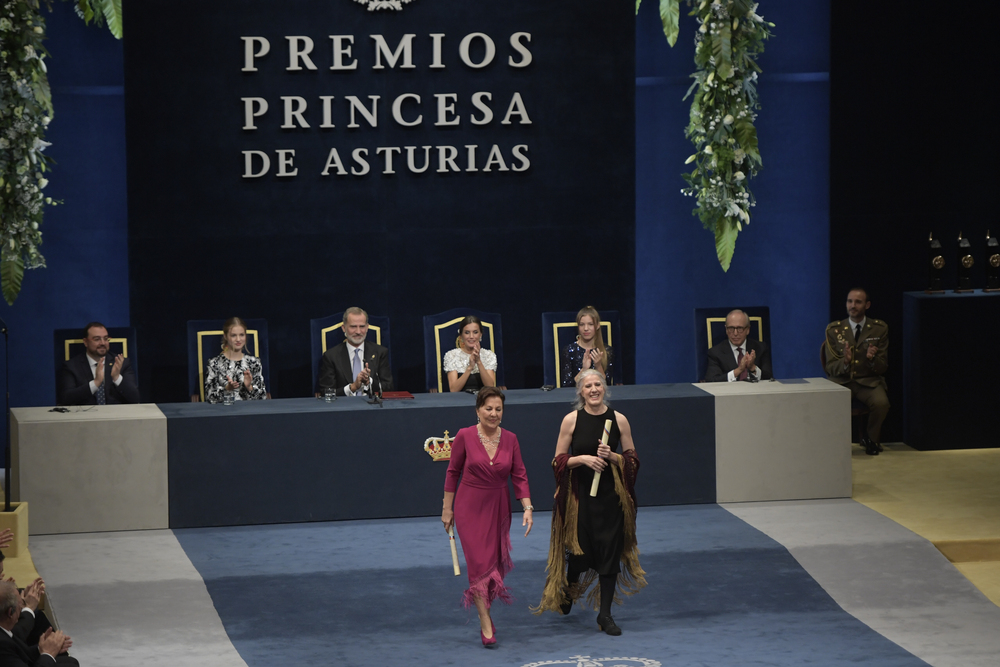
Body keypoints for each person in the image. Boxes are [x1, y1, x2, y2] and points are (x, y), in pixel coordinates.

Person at [534, 369, 645, 635]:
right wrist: (583, 459)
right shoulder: (571, 421)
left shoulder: (619, 420)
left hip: (611, 500)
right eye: (588, 386)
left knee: (610, 554)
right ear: (580, 392)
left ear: (604, 388)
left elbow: (632, 460)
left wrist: (613, 457)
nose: (594, 389)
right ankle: (570, 588)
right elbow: (558, 461)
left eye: (598, 384)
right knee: (580, 554)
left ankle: (605, 614)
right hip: (580, 499)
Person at [441, 387, 532, 647]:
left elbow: (519, 474)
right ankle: (484, 620)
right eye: (488, 409)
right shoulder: (465, 436)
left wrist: (527, 507)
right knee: (479, 563)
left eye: (498, 409)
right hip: (469, 506)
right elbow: (452, 472)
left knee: (492, 563)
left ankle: (486, 609)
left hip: (499, 507)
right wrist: (447, 509)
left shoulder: (511, 439)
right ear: (478, 410)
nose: (493, 414)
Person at [824, 288, 889, 455]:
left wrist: (871, 359)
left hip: (867, 382)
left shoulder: (878, 329)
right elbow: (830, 367)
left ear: (867, 305)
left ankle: (871, 440)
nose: (853, 306)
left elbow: (883, 367)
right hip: (842, 381)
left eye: (858, 302)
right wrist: (845, 362)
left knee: (881, 403)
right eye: (850, 301)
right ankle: (833, 442)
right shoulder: (834, 330)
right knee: (826, 403)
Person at [56, 322, 139, 406]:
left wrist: (117, 378)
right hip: (85, 417)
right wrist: (95, 383)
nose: (103, 343)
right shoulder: (71, 366)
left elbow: (135, 398)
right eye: (97, 339)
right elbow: (65, 399)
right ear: (85, 342)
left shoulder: (121, 363)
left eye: (106, 338)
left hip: (115, 416)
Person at [318, 308, 394, 397]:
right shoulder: (331, 356)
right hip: (343, 408)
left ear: (367, 327)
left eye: (362, 326)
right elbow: (326, 392)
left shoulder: (380, 352)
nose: (358, 332)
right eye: (353, 327)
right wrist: (352, 387)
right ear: (344, 328)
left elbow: (389, 387)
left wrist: (370, 382)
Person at [0, 581, 78, 666]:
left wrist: (42, 648)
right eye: (21, 604)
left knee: (70, 662)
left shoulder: (4, 631)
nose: (22, 608)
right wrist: (48, 653)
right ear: (10, 612)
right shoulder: (2, 644)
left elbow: (18, 653)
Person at [204, 317, 267, 404]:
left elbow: (263, 397)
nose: (238, 339)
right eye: (233, 335)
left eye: (241, 335)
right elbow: (209, 397)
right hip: (223, 413)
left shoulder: (254, 362)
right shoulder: (214, 363)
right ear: (225, 336)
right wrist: (227, 389)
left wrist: (249, 387)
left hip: (249, 413)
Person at [704, 309, 774, 382]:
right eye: (731, 328)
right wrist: (739, 370)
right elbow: (711, 380)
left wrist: (752, 367)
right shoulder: (715, 352)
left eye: (740, 328)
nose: (735, 333)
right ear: (726, 330)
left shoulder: (761, 348)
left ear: (748, 330)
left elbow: (769, 378)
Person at [561, 306, 614, 387]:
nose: (586, 328)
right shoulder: (569, 350)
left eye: (590, 324)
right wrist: (584, 369)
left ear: (597, 326)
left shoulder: (606, 350)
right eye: (582, 324)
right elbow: (567, 386)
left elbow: (607, 386)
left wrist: (598, 366)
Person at [443, 316, 497, 393]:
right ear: (461, 336)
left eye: (475, 332)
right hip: (460, 401)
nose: (471, 337)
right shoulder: (451, 355)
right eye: (467, 332)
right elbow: (454, 390)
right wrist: (470, 367)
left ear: (480, 334)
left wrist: (478, 362)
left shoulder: (489, 355)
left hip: (483, 401)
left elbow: (490, 387)